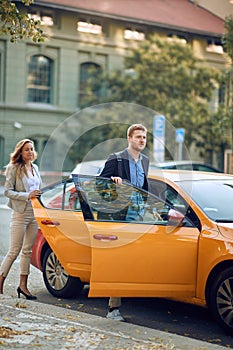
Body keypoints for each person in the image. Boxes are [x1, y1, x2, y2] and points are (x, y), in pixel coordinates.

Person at [99, 123, 149, 321]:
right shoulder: (116, 159)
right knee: (118, 261)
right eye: (138, 137)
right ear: (129, 138)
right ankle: (113, 308)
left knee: (133, 261)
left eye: (144, 137)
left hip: (139, 218)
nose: (142, 140)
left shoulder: (145, 161)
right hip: (120, 217)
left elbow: (144, 189)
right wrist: (112, 181)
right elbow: (99, 183)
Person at [0, 139, 42, 299]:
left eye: (31, 149)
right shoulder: (13, 168)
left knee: (27, 251)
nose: (30, 152)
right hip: (20, 214)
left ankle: (23, 286)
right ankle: (0, 283)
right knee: (13, 251)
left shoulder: (35, 168)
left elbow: (38, 188)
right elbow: (7, 191)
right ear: (20, 152)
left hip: (34, 214)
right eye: (26, 150)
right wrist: (27, 196)